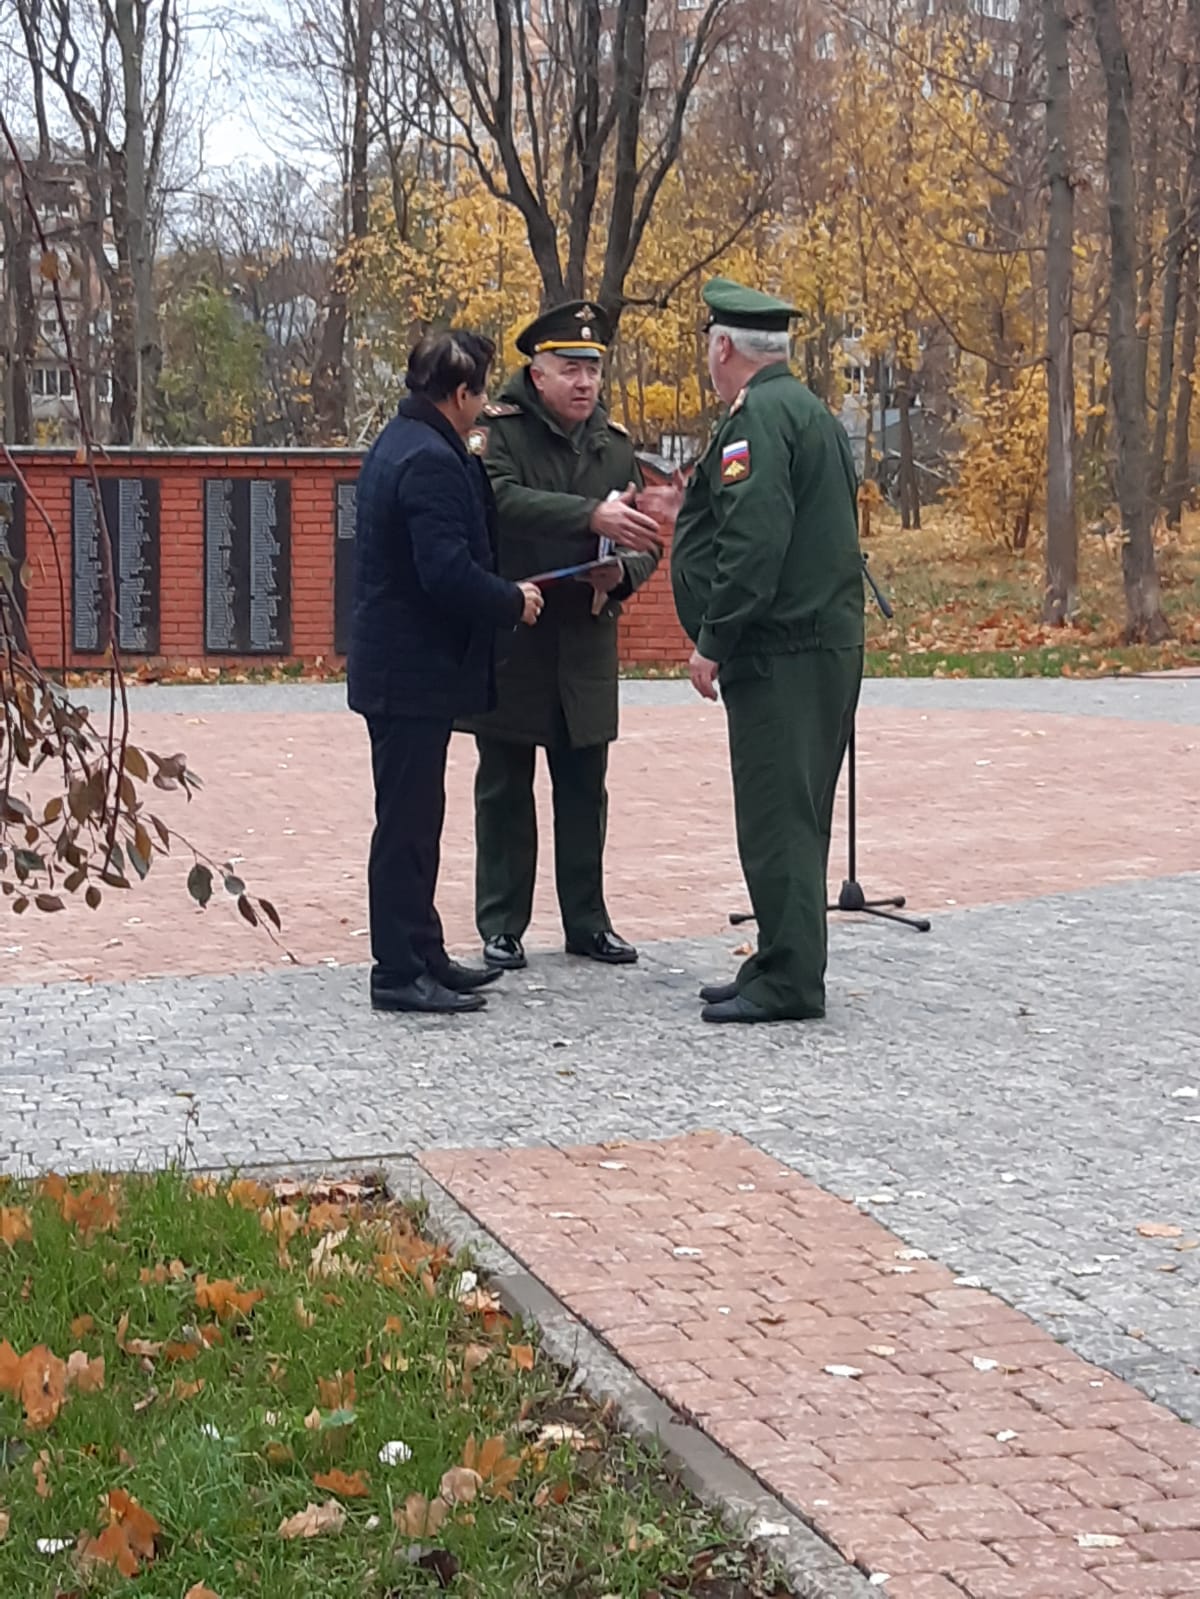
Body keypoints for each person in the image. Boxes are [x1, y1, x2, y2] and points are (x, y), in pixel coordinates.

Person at [647, 277, 864, 1024]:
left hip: (782, 651)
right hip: (814, 644)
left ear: (723, 348)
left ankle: (790, 980)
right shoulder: (805, 410)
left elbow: (756, 539)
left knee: (778, 820)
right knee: (793, 813)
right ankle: (778, 956)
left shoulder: (758, 418)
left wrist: (714, 638)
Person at [460, 300, 661, 972]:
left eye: (593, 370)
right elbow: (497, 500)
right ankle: (502, 923)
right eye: (570, 369)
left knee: (584, 790)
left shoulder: (615, 445)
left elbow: (645, 540)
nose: (585, 383)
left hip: (585, 639)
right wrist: (589, 515)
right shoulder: (498, 433)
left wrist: (621, 573)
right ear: (537, 373)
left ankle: (588, 922)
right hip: (516, 635)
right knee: (504, 789)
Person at [347, 330, 544, 1015]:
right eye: (480, 394)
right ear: (460, 394)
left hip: (404, 672)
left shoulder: (402, 440)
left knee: (417, 820)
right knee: (405, 827)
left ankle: (423, 951)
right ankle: (398, 971)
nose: (485, 407)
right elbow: (445, 571)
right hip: (409, 675)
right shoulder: (428, 459)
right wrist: (511, 601)